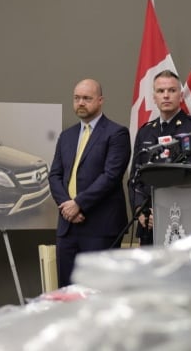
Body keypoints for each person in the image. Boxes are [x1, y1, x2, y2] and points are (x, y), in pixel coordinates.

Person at [48, 79, 131, 287]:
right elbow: (55, 176)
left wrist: (79, 204)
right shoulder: (66, 136)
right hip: (68, 227)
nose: (81, 103)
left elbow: (111, 176)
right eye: (77, 98)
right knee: (67, 293)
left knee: (98, 294)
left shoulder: (117, 133)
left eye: (87, 98)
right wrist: (68, 206)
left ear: (100, 100)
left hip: (100, 227)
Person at [130, 70, 191, 245]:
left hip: (182, 221)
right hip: (148, 223)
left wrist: (162, 210)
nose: (166, 95)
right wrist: (140, 210)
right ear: (154, 97)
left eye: (171, 90)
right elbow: (135, 177)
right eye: (160, 91)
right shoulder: (146, 131)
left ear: (180, 95)